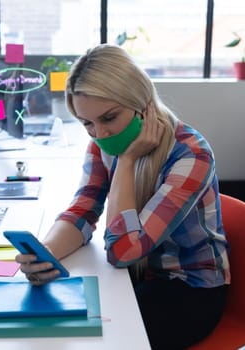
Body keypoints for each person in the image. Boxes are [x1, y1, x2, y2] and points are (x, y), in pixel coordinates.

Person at [15, 44, 230, 349]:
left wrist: (127, 162)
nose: (99, 133)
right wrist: (46, 254)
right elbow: (84, 209)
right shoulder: (103, 141)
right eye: (87, 123)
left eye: (109, 118)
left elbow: (122, 252)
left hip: (188, 286)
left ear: (141, 104)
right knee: (59, 322)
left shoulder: (191, 155)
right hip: (136, 274)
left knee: (101, 338)